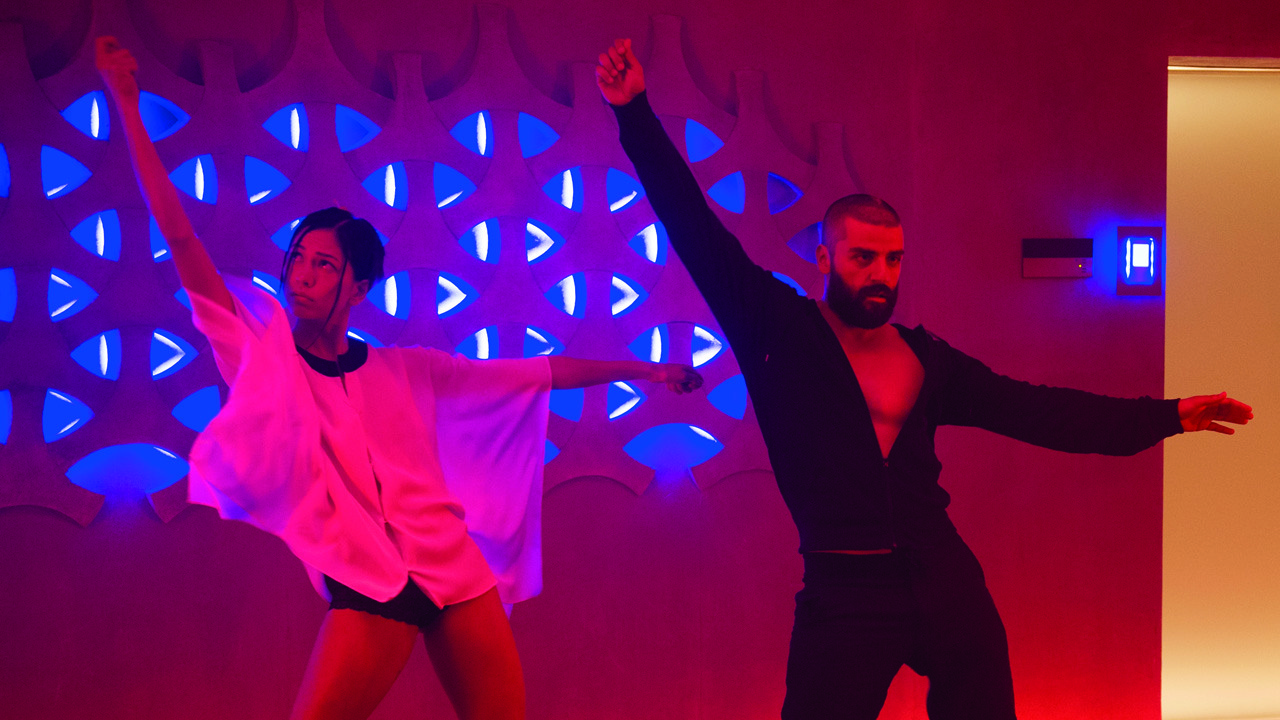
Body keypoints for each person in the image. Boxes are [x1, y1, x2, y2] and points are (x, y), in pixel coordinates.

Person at [595, 38, 1253, 719]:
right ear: (825, 257)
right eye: (863, 258)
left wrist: (1168, 415)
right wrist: (633, 111)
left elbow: (1040, 412)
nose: (881, 275)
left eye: (894, 260)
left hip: (945, 578)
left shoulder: (926, 358)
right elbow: (692, 224)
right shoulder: (776, 328)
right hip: (845, 590)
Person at [96, 37, 701, 720]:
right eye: (299, 258)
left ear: (358, 287)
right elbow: (182, 241)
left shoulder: (408, 368)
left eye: (325, 265)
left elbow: (538, 373)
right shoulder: (262, 360)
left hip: (456, 575)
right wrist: (127, 104)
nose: (303, 275)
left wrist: (648, 369)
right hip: (368, 583)